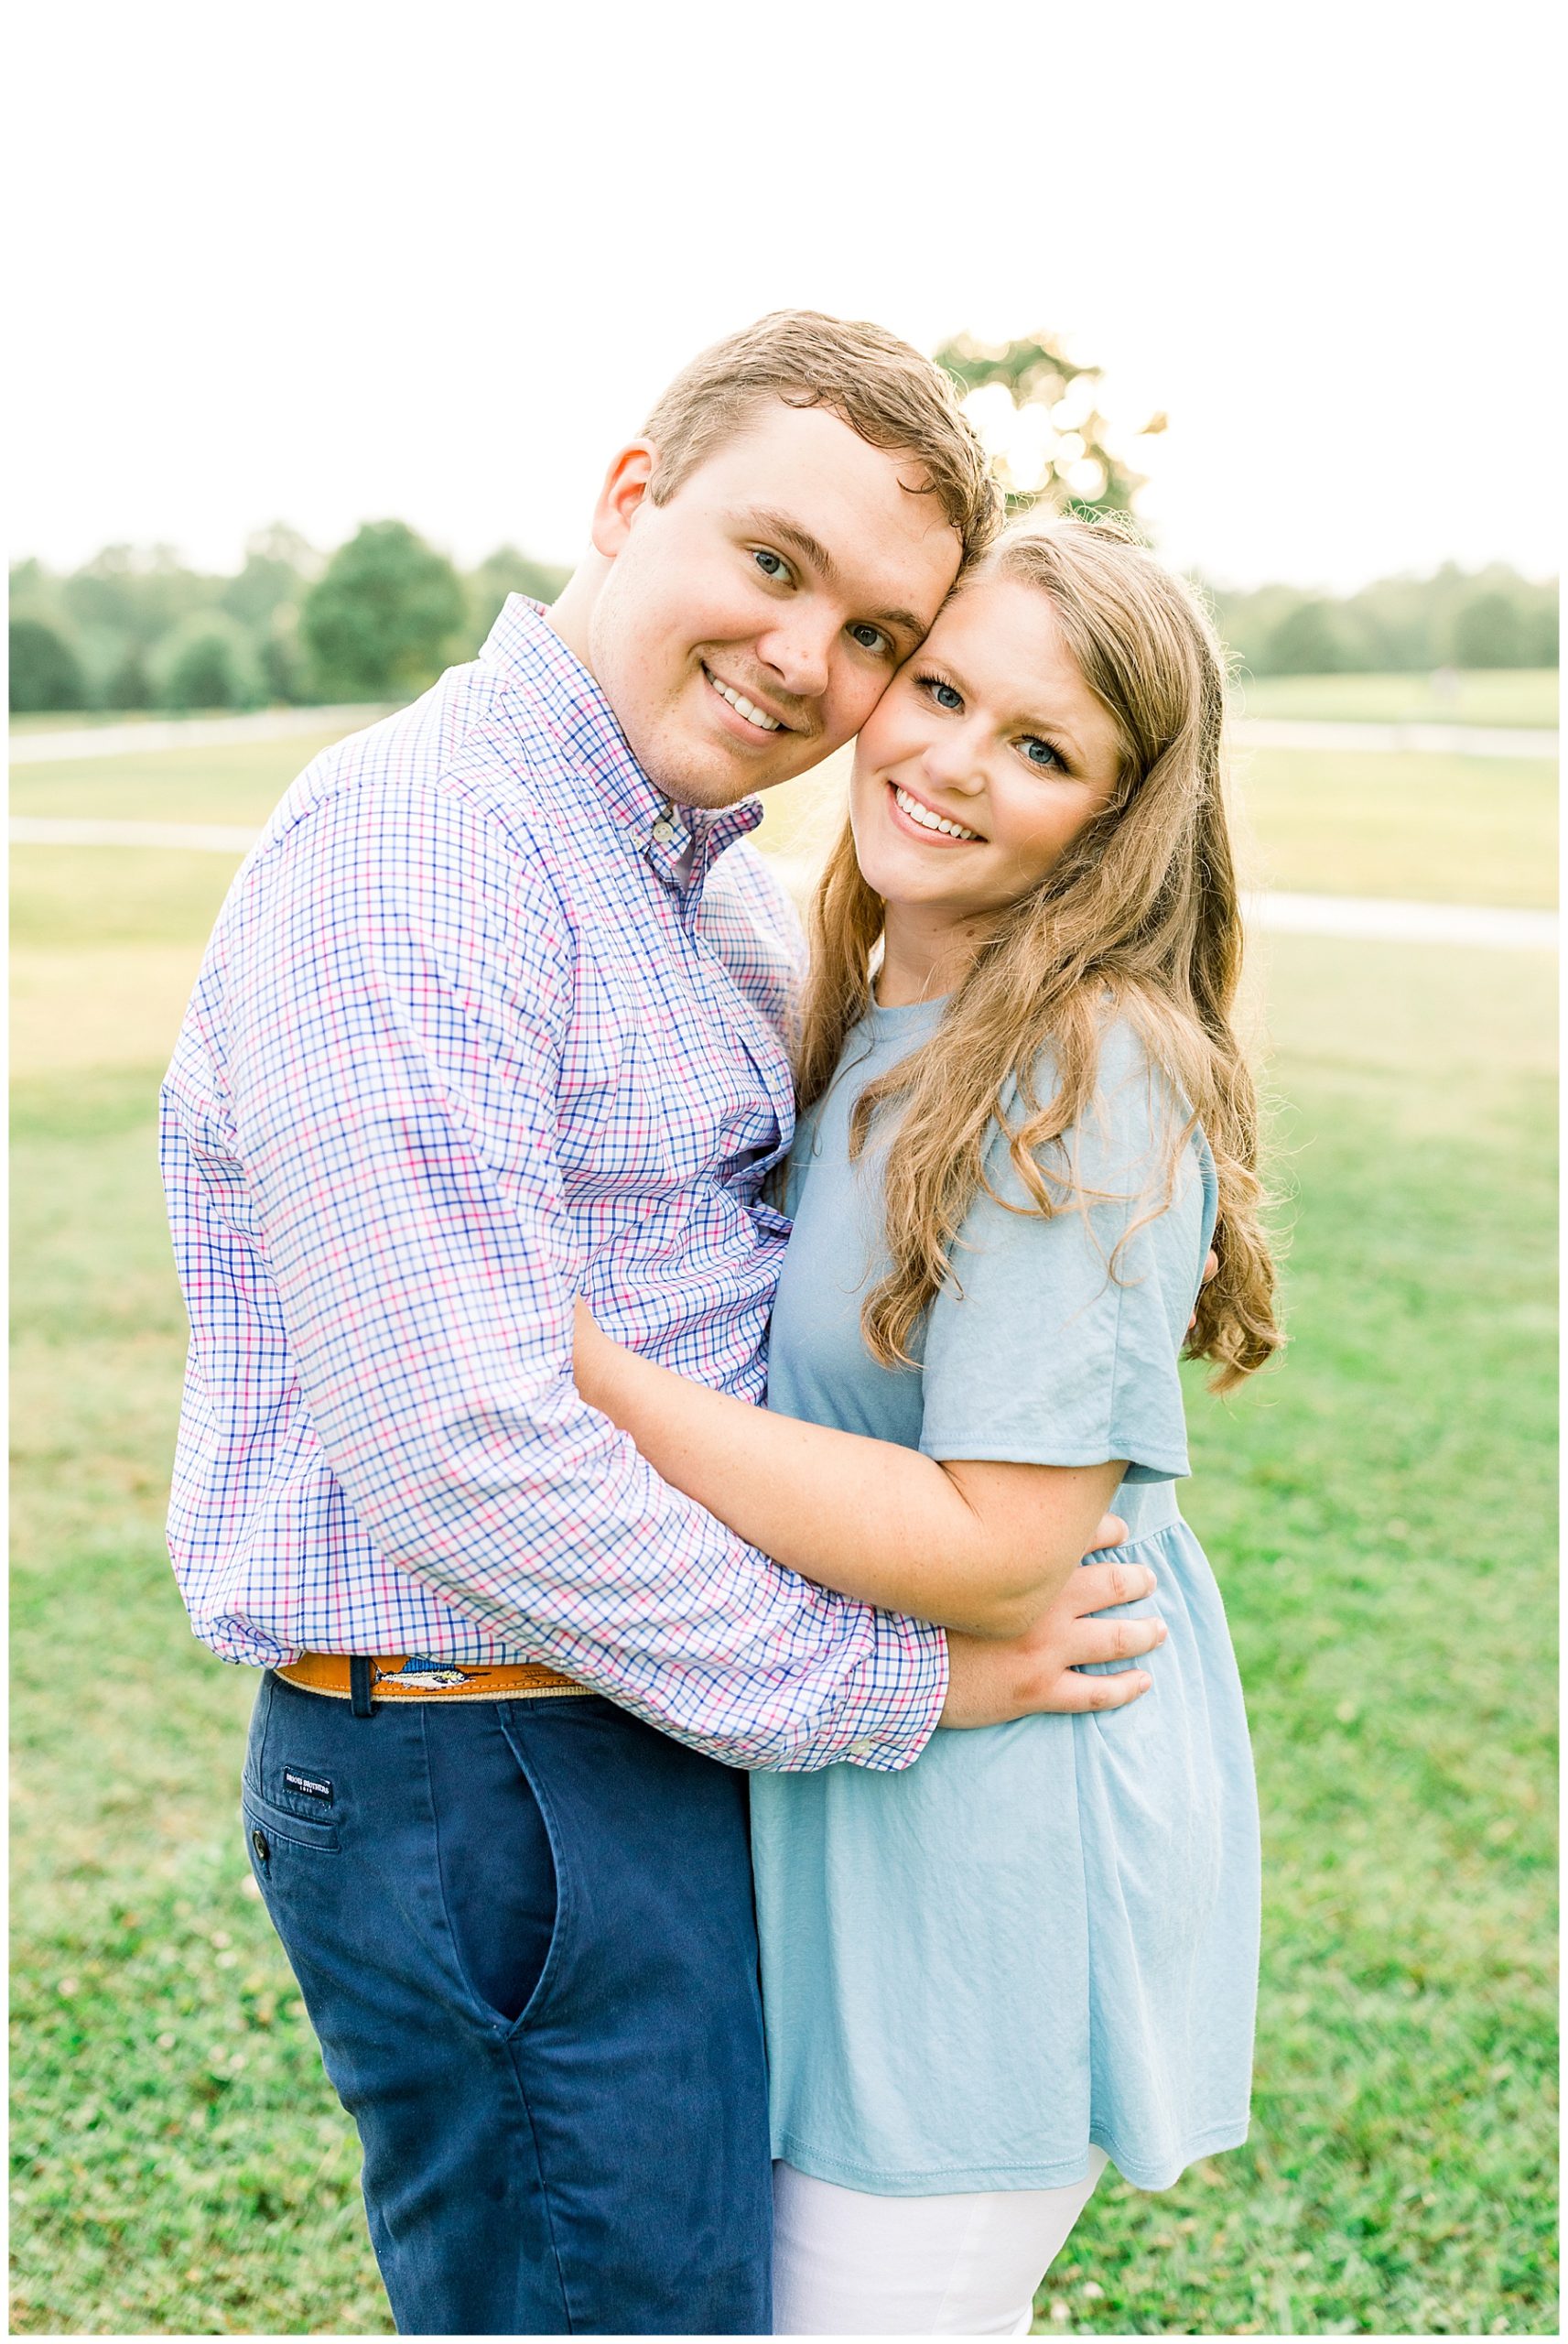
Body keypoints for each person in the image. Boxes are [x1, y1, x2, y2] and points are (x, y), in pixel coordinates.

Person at [158, 314, 1168, 2337]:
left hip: (627, 1729)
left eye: (879, 629)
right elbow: (460, 1445)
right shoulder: (422, 849)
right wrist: (891, 1676)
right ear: (631, 498)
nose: (813, 662)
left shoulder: (691, 888)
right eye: (771, 564)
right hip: (494, 1766)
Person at [571, 514, 1282, 2333]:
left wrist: (590, 1374)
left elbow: (998, 1541)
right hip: (858, 1801)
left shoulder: (1080, 1062)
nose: (952, 756)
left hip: (993, 1845)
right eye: (942, 686)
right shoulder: (874, 997)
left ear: (1115, 819)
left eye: (1039, 747)